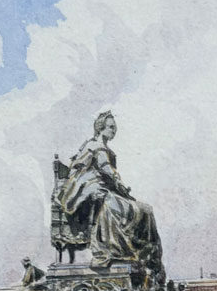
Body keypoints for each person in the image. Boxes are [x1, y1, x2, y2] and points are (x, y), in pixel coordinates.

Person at [56, 111, 164, 269]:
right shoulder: (95, 146)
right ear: (100, 128)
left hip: (105, 190)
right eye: (111, 127)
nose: (114, 130)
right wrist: (118, 184)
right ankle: (109, 251)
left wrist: (120, 186)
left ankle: (143, 255)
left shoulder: (104, 147)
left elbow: (110, 175)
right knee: (117, 207)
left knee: (145, 210)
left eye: (115, 128)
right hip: (89, 192)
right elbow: (105, 169)